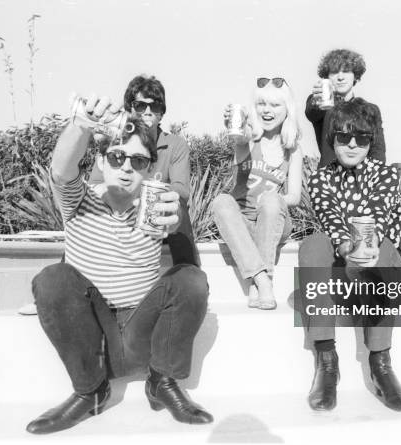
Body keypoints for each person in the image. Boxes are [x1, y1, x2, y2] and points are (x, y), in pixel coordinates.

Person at [26, 95, 213, 435]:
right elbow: (62, 168)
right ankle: (90, 391)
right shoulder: (79, 198)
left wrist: (177, 221)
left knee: (192, 280)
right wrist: (81, 125)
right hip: (95, 338)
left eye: (138, 161)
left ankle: (162, 382)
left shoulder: (155, 207)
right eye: (117, 156)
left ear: (149, 169)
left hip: (143, 333)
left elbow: (178, 241)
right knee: (52, 279)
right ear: (100, 159)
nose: (127, 167)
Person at [305, 48, 401, 306]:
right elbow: (313, 113)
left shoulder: (370, 110)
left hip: (366, 181)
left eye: (346, 70)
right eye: (334, 72)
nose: (340, 76)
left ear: (356, 75)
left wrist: (373, 184)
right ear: (327, 77)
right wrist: (318, 100)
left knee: (398, 214)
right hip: (333, 187)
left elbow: (378, 150)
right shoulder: (324, 106)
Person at [299, 98, 401, 412]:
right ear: (332, 138)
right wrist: (348, 250)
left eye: (361, 138)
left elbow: (376, 217)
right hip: (343, 269)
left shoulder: (386, 175)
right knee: (312, 245)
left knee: (384, 247)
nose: (352, 145)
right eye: (343, 137)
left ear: (370, 141)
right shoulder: (321, 178)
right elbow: (331, 218)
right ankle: (326, 361)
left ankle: (381, 363)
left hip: (382, 273)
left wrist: (366, 249)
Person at [211, 77, 303, 310]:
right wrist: (237, 126)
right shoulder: (250, 139)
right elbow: (240, 138)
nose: (267, 110)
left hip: (273, 221)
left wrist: (270, 200)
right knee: (222, 200)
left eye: (275, 105)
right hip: (243, 223)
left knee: (272, 199)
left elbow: (294, 196)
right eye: (262, 104)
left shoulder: (292, 149)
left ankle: (260, 280)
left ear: (287, 110)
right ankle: (262, 280)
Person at [90, 74, 199, 267]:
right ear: (130, 110)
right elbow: (95, 185)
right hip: (118, 221)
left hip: (156, 222)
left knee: (178, 204)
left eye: (155, 106)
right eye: (141, 106)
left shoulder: (175, 145)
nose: (148, 111)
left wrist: (149, 196)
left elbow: (182, 190)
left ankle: (189, 272)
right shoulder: (116, 140)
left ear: (161, 113)